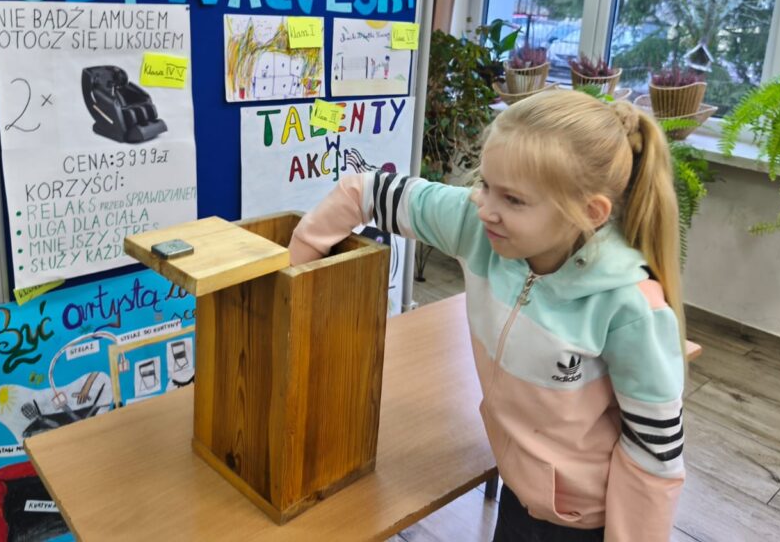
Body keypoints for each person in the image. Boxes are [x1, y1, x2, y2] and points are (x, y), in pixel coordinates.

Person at [289, 89, 686, 541]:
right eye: (485, 183)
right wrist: (294, 271)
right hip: (521, 489)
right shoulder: (478, 223)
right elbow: (365, 191)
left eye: (513, 199)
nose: (486, 209)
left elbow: (655, 458)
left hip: (583, 520)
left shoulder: (631, 310)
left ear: (589, 212)